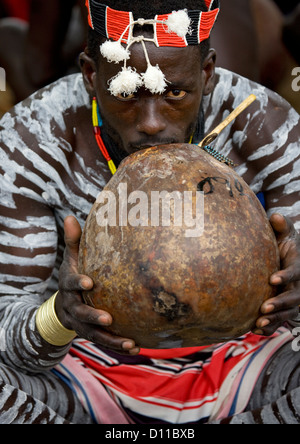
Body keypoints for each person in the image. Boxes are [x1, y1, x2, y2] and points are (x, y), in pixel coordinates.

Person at [0, 0, 299, 424]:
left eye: (175, 92)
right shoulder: (33, 140)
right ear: (90, 75)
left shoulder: (263, 124)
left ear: (207, 72)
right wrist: (58, 316)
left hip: (247, 367)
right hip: (85, 375)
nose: (153, 123)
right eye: (125, 94)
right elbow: (9, 336)